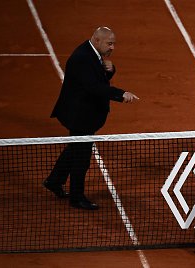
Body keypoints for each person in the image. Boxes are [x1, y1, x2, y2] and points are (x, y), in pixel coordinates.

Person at [43, 26, 139, 210]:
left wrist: (110, 70)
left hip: (84, 113)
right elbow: (95, 87)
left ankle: (55, 180)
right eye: (110, 43)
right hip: (80, 115)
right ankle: (76, 198)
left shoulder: (91, 53)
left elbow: (99, 77)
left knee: (75, 148)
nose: (112, 48)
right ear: (97, 40)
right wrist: (121, 94)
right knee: (82, 158)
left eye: (114, 44)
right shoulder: (82, 58)